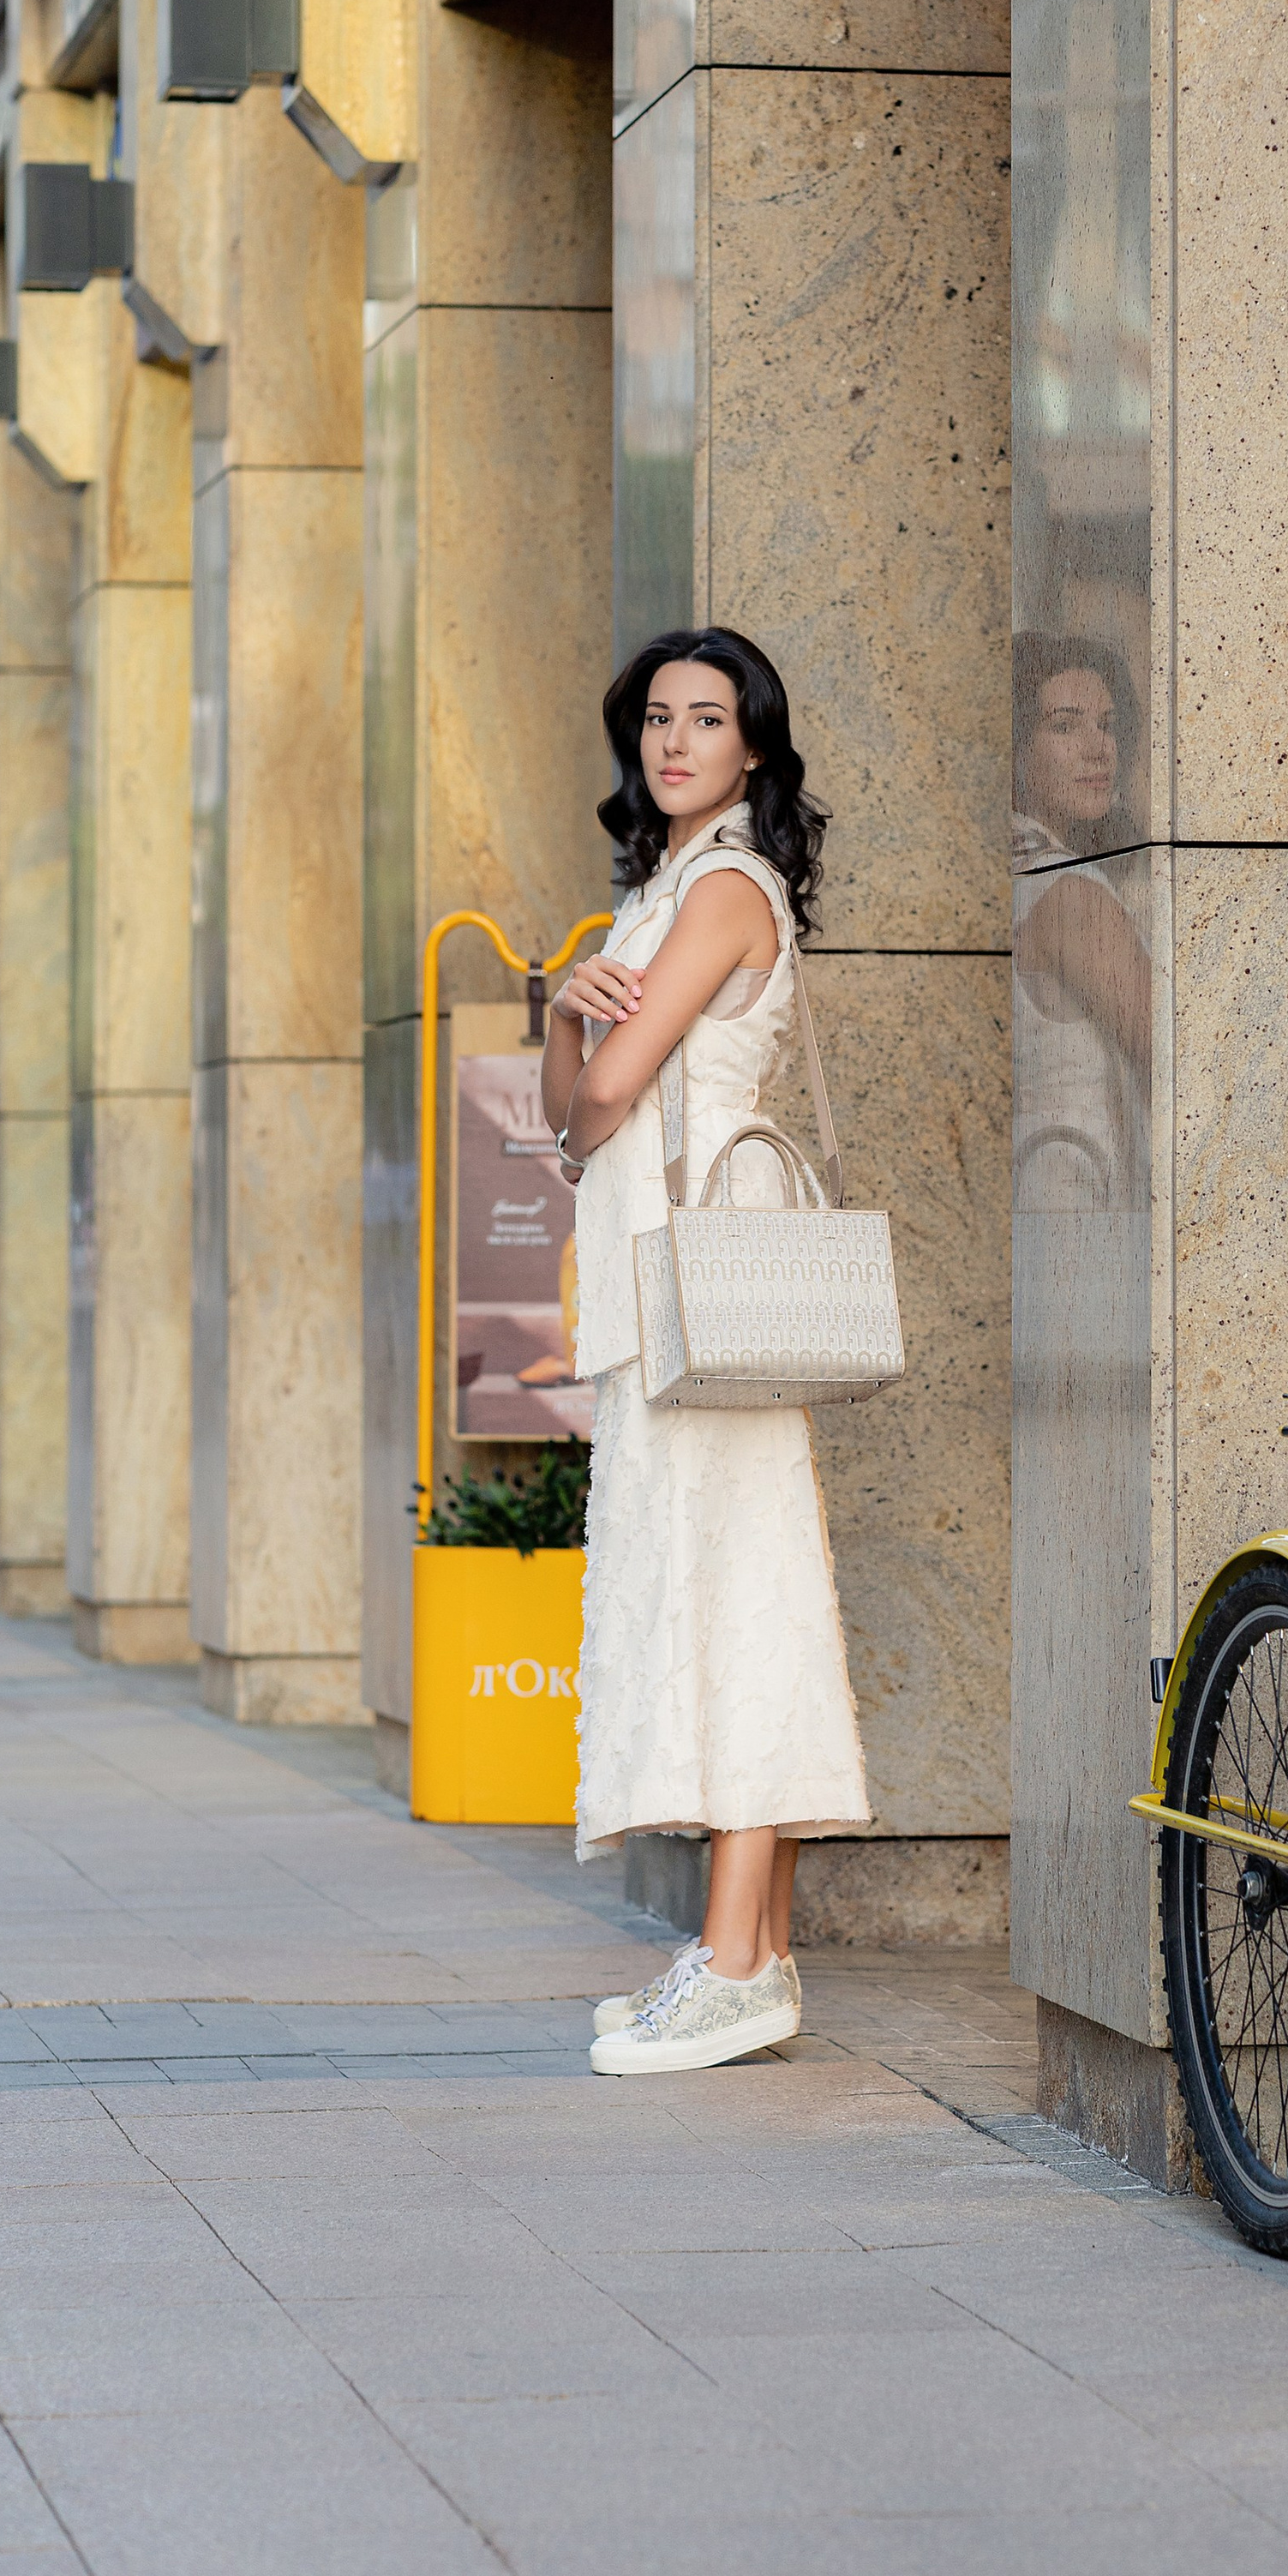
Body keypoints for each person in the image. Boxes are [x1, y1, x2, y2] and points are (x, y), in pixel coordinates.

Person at [542, 626, 870, 2075]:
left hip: (708, 1297)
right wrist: (566, 1010)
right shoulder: (665, 891)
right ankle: (752, 1956)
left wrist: (578, 1035)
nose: (675, 742)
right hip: (661, 1296)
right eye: (657, 720)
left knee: (745, 1611)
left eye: (707, 719)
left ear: (752, 747)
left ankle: (740, 1962)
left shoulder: (724, 887)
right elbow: (569, 1121)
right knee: (727, 1598)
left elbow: (607, 1091)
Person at [1012, 633, 1151, 1213]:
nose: (1100, 749)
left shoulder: (1010, 874)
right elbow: (1172, 1055)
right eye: (1066, 726)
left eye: (1107, 724)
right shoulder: (1068, 891)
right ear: (1016, 747)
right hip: (1076, 1200)